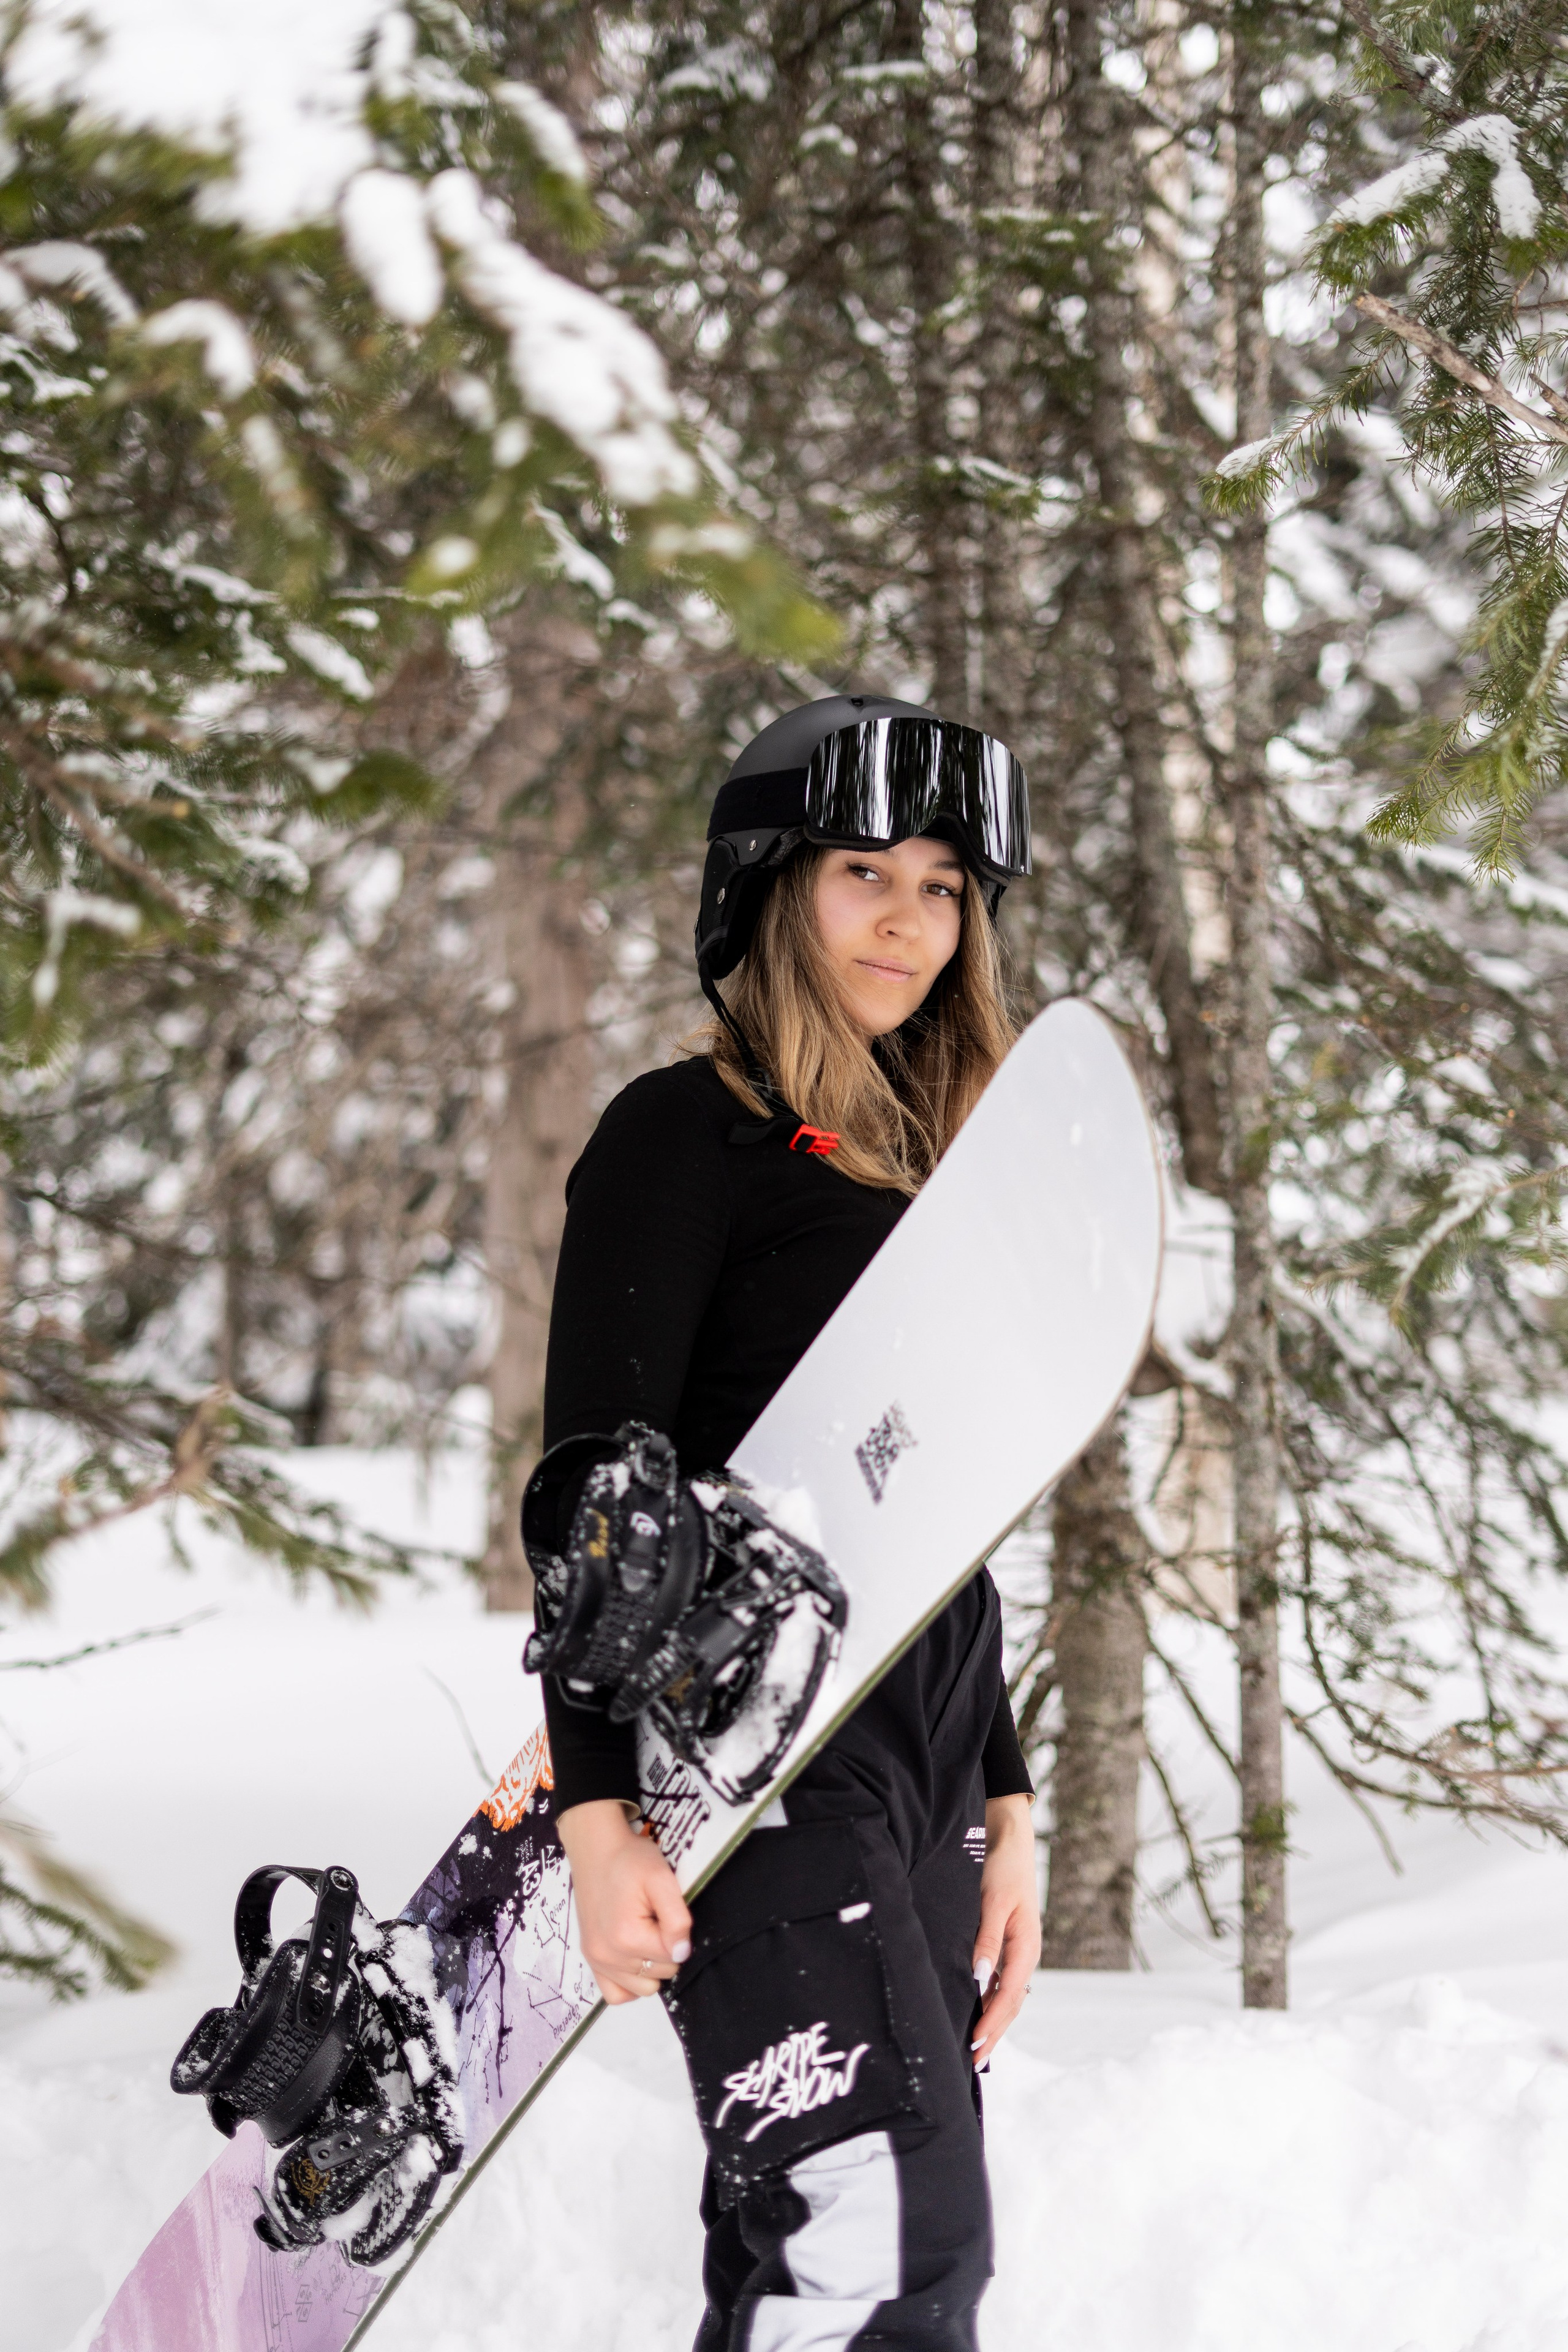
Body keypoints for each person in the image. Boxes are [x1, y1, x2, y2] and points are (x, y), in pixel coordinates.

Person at [531, 693, 1041, 2352]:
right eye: (861, 873)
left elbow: (934, 1514)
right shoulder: (684, 1139)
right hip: (766, 1764)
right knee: (882, 2248)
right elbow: (594, 1500)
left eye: (944, 886)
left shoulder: (934, 1176)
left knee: (809, 2254)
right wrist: (600, 1812)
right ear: (767, 889)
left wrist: (1009, 1792)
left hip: (931, 1752)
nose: (907, 917)